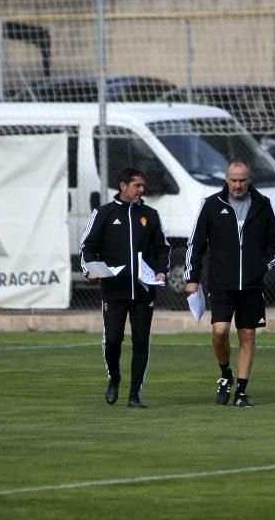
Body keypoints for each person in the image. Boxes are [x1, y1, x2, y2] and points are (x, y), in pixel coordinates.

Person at [184, 158, 275, 407]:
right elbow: (195, 244)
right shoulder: (211, 205)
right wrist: (192, 278)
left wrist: (262, 267)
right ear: (226, 179)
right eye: (233, 180)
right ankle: (225, 374)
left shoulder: (263, 204)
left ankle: (241, 391)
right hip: (221, 284)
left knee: (247, 334)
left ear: (249, 179)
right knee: (219, 332)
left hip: (252, 285)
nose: (237, 185)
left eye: (242, 180)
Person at [80, 167, 171, 409]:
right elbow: (88, 248)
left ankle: (134, 395)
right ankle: (114, 378)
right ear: (123, 186)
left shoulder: (151, 215)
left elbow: (163, 248)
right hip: (114, 291)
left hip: (144, 292)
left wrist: (162, 271)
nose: (142, 190)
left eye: (143, 185)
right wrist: (90, 271)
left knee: (141, 342)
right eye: (137, 185)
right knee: (112, 340)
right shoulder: (103, 214)